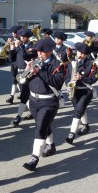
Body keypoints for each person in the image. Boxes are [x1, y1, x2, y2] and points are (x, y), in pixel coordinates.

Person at [22, 38, 66, 171]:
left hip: (49, 102)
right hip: (34, 100)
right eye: (38, 51)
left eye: (42, 52)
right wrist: (27, 70)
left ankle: (34, 158)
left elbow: (56, 82)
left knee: (40, 128)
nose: (39, 54)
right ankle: (51, 145)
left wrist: (39, 71)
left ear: (50, 51)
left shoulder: (59, 64)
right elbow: (24, 80)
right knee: (43, 125)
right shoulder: (36, 62)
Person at [64, 42, 98, 145]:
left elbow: (94, 79)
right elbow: (66, 77)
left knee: (78, 111)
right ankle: (86, 126)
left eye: (83, 53)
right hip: (74, 91)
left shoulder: (91, 64)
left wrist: (81, 78)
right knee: (80, 110)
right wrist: (69, 83)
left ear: (86, 54)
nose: (80, 54)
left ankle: (71, 134)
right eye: (79, 52)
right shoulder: (71, 63)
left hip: (86, 91)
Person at [9, 28, 36, 127]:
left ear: (28, 37)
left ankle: (20, 117)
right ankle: (19, 117)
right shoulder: (19, 47)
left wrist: (19, 47)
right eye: (21, 37)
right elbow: (11, 59)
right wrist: (12, 49)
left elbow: (27, 57)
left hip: (29, 73)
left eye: (24, 37)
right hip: (20, 74)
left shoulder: (32, 46)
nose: (22, 38)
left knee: (29, 95)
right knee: (24, 95)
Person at [6, 25, 22, 104]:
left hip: (19, 63)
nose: (14, 34)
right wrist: (8, 45)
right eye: (13, 33)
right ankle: (20, 93)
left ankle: (11, 96)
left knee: (16, 80)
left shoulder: (21, 41)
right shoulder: (11, 40)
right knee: (16, 79)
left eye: (15, 33)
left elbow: (20, 53)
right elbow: (9, 54)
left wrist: (16, 46)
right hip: (13, 63)